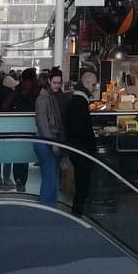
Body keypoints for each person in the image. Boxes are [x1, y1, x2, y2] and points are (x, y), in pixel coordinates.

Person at [63, 73, 99, 216]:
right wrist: (91, 144)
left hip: (77, 148)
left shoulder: (76, 100)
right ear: (86, 83)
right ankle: (77, 213)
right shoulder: (80, 102)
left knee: (81, 182)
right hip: (81, 149)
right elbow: (80, 128)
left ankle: (78, 212)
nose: (94, 88)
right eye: (93, 84)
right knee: (82, 182)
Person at [33, 70, 66, 207]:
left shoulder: (49, 96)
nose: (57, 85)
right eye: (54, 82)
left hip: (49, 140)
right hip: (48, 140)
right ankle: (48, 206)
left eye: (59, 83)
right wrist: (52, 142)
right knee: (50, 175)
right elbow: (42, 122)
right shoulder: (44, 98)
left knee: (51, 175)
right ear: (49, 81)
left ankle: (49, 206)